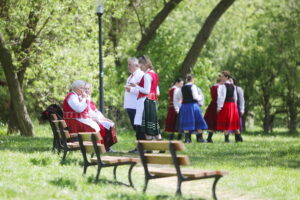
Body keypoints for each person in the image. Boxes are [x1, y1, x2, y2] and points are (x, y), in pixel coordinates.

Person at [129, 55, 161, 141]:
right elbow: (156, 91)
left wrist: (136, 86)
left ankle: (149, 148)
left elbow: (146, 91)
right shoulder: (154, 74)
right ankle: (160, 146)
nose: (141, 69)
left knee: (146, 126)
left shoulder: (147, 75)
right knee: (153, 125)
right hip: (152, 101)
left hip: (145, 101)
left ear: (146, 65)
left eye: (141, 66)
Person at [174, 74, 208, 143]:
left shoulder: (182, 88)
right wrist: (200, 97)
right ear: (192, 79)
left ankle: (187, 139)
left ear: (186, 80)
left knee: (187, 122)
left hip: (184, 106)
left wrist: (179, 106)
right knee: (198, 121)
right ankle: (200, 138)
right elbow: (195, 97)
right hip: (193, 106)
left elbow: (176, 98)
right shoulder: (193, 86)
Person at [84, 83, 117, 151]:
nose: (87, 90)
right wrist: (98, 119)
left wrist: (104, 118)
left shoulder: (89, 99)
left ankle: (107, 147)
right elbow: (88, 112)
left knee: (110, 124)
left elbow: (96, 111)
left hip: (96, 118)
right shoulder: (84, 99)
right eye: (85, 89)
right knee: (102, 127)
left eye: (88, 89)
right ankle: (103, 147)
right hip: (90, 119)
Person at [123, 57, 144, 153]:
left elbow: (143, 90)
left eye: (129, 64)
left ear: (136, 65)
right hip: (130, 105)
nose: (128, 67)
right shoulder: (131, 76)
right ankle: (139, 147)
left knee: (139, 127)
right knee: (136, 127)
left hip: (136, 105)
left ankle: (142, 147)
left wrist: (130, 89)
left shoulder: (140, 75)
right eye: (128, 64)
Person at [216, 71, 242, 142]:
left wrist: (219, 107)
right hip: (232, 105)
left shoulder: (223, 86)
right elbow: (235, 97)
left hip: (226, 105)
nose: (221, 78)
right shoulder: (232, 86)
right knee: (233, 121)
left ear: (226, 77)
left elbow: (222, 97)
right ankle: (238, 138)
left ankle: (227, 139)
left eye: (222, 76)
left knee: (226, 122)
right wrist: (235, 105)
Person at [204, 77, 222, 143]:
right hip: (218, 104)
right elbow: (220, 97)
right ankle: (226, 138)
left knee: (212, 121)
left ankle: (209, 137)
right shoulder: (220, 87)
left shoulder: (212, 87)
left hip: (212, 104)